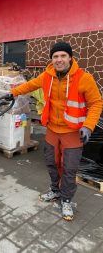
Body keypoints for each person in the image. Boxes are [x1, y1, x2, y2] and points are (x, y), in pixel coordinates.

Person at [9, 41, 103, 221]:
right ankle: (54, 190)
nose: (59, 60)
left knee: (69, 168)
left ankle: (66, 199)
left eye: (62, 56)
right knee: (52, 163)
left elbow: (96, 103)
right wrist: (12, 93)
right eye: (55, 56)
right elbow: (29, 86)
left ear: (70, 58)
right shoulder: (47, 75)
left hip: (73, 132)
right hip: (52, 129)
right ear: (52, 59)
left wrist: (88, 126)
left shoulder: (84, 78)